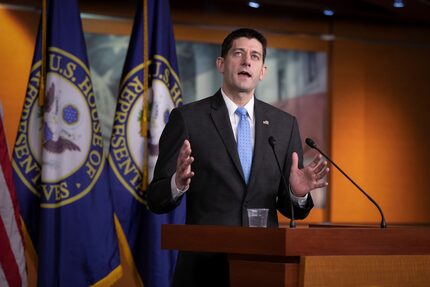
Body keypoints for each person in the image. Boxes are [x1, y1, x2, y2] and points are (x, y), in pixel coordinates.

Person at [147, 28, 329, 287]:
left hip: (264, 268)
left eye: (255, 56)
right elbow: (156, 199)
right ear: (221, 64)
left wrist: (297, 193)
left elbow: (290, 210)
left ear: (262, 71)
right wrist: (177, 183)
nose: (247, 61)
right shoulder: (188, 119)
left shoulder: (283, 125)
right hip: (205, 270)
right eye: (239, 54)